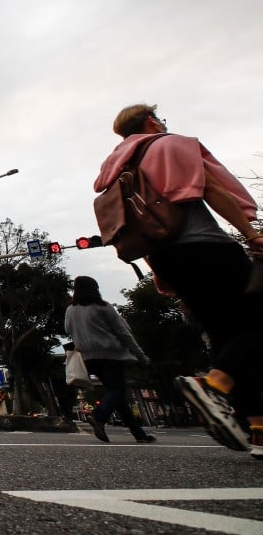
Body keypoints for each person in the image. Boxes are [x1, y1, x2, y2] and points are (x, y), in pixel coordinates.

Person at [95, 104, 263, 458]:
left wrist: (164, 277)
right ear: (152, 122)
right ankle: (213, 384)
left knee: (226, 337)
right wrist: (250, 234)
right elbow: (211, 189)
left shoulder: (117, 166)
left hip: (168, 258)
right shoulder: (169, 144)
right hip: (207, 247)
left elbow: (140, 227)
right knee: (254, 323)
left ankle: (256, 429)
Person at [63, 276, 155, 444]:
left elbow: (67, 329)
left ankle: (138, 433)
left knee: (116, 394)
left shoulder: (71, 310)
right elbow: (124, 333)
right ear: (95, 289)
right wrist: (141, 356)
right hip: (110, 355)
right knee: (118, 391)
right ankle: (99, 416)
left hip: (88, 358)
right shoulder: (103, 307)